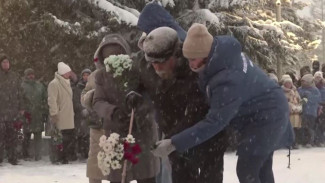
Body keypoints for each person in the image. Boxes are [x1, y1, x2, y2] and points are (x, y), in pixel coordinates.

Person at [151, 23, 294, 183]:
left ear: (206, 56)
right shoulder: (219, 51)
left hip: (267, 118)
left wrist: (174, 143)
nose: (190, 65)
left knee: (247, 169)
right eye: (188, 59)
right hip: (270, 108)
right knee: (261, 168)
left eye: (193, 60)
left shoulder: (227, 81)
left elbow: (215, 122)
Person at [136, 3, 229, 183]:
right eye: (152, 62)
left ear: (174, 56)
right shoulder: (150, 52)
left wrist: (173, 140)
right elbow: (143, 81)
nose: (156, 67)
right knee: (182, 176)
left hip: (206, 134)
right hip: (175, 133)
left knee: (209, 176)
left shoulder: (192, 64)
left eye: (161, 62)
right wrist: (136, 93)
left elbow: (197, 109)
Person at [92, 34, 160, 183]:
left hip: (142, 132)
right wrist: (113, 112)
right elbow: (97, 102)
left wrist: (140, 104)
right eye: (109, 56)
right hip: (116, 135)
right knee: (119, 176)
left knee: (146, 176)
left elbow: (153, 94)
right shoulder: (101, 76)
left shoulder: (138, 70)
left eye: (118, 54)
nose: (114, 59)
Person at [48, 62, 75, 164]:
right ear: (63, 72)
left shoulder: (67, 82)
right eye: (68, 72)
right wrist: (54, 114)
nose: (70, 74)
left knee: (67, 138)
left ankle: (64, 157)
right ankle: (58, 157)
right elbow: (52, 100)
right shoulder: (54, 84)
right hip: (60, 115)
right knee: (59, 138)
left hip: (68, 114)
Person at [0, 54, 23, 165]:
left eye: (7, 62)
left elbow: (20, 93)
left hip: (13, 111)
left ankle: (12, 157)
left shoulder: (14, 76)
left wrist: (21, 107)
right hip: (1, 111)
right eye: (4, 62)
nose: (6, 64)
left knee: (12, 136)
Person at [21, 68, 48, 160]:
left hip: (38, 114)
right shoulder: (22, 86)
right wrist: (23, 110)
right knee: (26, 135)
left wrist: (44, 111)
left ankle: (38, 154)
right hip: (27, 114)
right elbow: (20, 99)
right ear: (26, 75)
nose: (31, 76)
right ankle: (25, 154)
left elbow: (45, 98)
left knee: (38, 136)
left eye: (32, 74)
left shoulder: (40, 86)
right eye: (29, 74)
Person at [298, 74, 321, 147]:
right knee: (303, 127)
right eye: (302, 81)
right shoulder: (300, 89)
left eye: (304, 81)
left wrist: (307, 98)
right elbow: (298, 99)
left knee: (310, 127)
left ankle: (310, 141)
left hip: (311, 111)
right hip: (302, 111)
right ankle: (304, 141)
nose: (303, 83)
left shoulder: (315, 90)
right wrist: (302, 100)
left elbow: (316, 100)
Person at [73, 68, 91, 160]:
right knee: (81, 134)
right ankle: (80, 152)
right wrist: (82, 109)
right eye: (84, 75)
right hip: (80, 114)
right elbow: (76, 101)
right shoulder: (78, 88)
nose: (86, 77)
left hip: (92, 114)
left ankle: (88, 152)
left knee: (89, 135)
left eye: (87, 75)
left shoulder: (94, 86)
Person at [281, 74, 302, 148]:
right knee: (288, 128)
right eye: (287, 83)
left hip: (295, 112)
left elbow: (299, 99)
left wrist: (299, 102)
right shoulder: (281, 91)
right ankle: (288, 143)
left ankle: (294, 142)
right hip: (287, 113)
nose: (289, 84)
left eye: (290, 83)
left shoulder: (295, 90)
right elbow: (281, 100)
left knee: (295, 128)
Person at [313, 71, 325, 146]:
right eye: (317, 78)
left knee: (321, 125)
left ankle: (321, 139)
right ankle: (317, 140)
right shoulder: (313, 89)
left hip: (323, 108)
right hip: (315, 107)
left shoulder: (324, 89)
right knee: (316, 124)